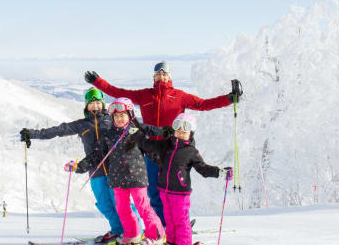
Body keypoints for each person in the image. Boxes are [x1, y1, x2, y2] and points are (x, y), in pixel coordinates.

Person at [84, 61, 242, 225]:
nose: (161, 76)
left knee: (176, 190)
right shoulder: (145, 95)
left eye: (164, 73)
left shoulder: (180, 96)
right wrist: (97, 82)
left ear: (169, 76)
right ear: (154, 77)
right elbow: (117, 92)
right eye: (158, 74)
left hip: (173, 150)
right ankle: (162, 226)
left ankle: (182, 224)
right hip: (151, 150)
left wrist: (229, 99)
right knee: (153, 192)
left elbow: (203, 104)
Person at [20, 88, 144, 244]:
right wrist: (32, 134)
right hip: (95, 170)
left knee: (121, 204)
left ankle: (138, 231)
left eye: (98, 103)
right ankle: (118, 230)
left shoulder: (112, 120)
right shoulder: (82, 125)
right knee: (104, 204)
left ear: (103, 104)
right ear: (86, 106)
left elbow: (132, 126)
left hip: (116, 170)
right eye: (92, 104)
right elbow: (58, 130)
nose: (96, 106)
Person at [66, 97, 165, 245]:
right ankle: (132, 235)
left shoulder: (135, 131)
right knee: (122, 209)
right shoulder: (108, 134)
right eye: (116, 116)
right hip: (117, 179)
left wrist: (171, 135)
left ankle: (156, 235)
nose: (119, 119)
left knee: (142, 206)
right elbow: (96, 155)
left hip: (136, 176)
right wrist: (79, 166)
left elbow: (152, 144)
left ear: (130, 115)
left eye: (122, 115)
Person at [133, 112, 233, 245]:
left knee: (180, 219)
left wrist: (220, 172)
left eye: (184, 131)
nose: (180, 133)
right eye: (177, 129)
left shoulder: (191, 152)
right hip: (164, 189)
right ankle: (172, 242)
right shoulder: (166, 146)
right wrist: (137, 134)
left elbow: (203, 169)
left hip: (180, 192)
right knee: (169, 218)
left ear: (191, 133)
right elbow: (148, 145)